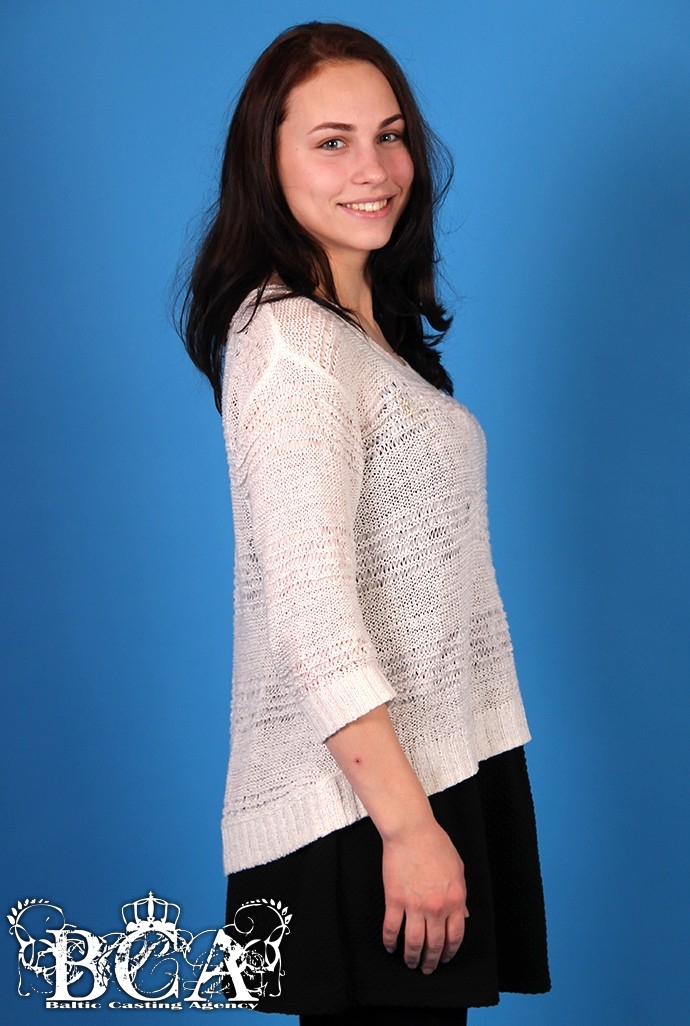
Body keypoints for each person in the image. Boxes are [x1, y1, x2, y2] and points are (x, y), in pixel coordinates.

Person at [180, 21, 550, 1024]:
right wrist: (408, 827)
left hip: (422, 774)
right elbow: (312, 614)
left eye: (390, 136)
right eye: (331, 142)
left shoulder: (360, 335)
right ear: (266, 162)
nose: (375, 170)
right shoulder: (291, 345)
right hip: (363, 809)